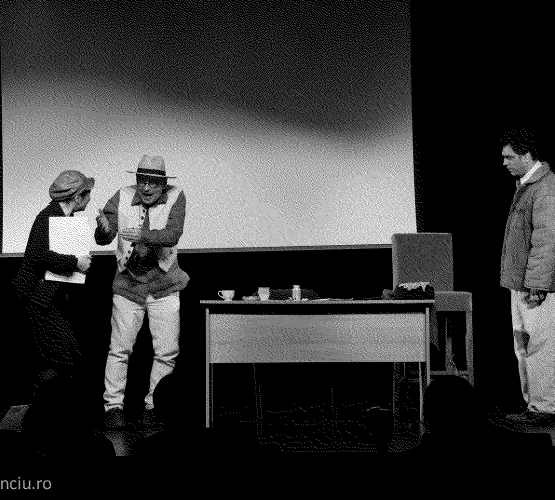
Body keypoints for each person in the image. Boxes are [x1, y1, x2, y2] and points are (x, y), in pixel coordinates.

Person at [94, 155, 189, 428]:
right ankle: (113, 408)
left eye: (152, 182)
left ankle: (154, 407)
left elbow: (172, 234)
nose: (146, 187)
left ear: (163, 183)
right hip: (128, 285)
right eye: (141, 181)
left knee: (166, 351)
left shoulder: (176, 197)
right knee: (119, 349)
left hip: (164, 286)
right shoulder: (122, 196)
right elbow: (105, 235)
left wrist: (143, 235)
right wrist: (103, 230)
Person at [12, 170, 94, 392]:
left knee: (68, 355)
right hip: (36, 298)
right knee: (63, 357)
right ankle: (37, 398)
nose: (89, 199)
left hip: (49, 299)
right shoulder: (48, 217)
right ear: (77, 197)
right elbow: (36, 254)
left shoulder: (66, 218)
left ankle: (42, 398)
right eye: (87, 194)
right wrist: (75, 262)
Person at [499, 128, 555, 426]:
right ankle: (533, 405)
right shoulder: (527, 185)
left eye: (509, 157)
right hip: (520, 283)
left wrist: (538, 284)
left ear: (527, 155)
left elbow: (546, 241)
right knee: (523, 347)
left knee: (540, 345)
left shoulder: (545, 187)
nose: (504, 162)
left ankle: (545, 407)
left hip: (535, 285)